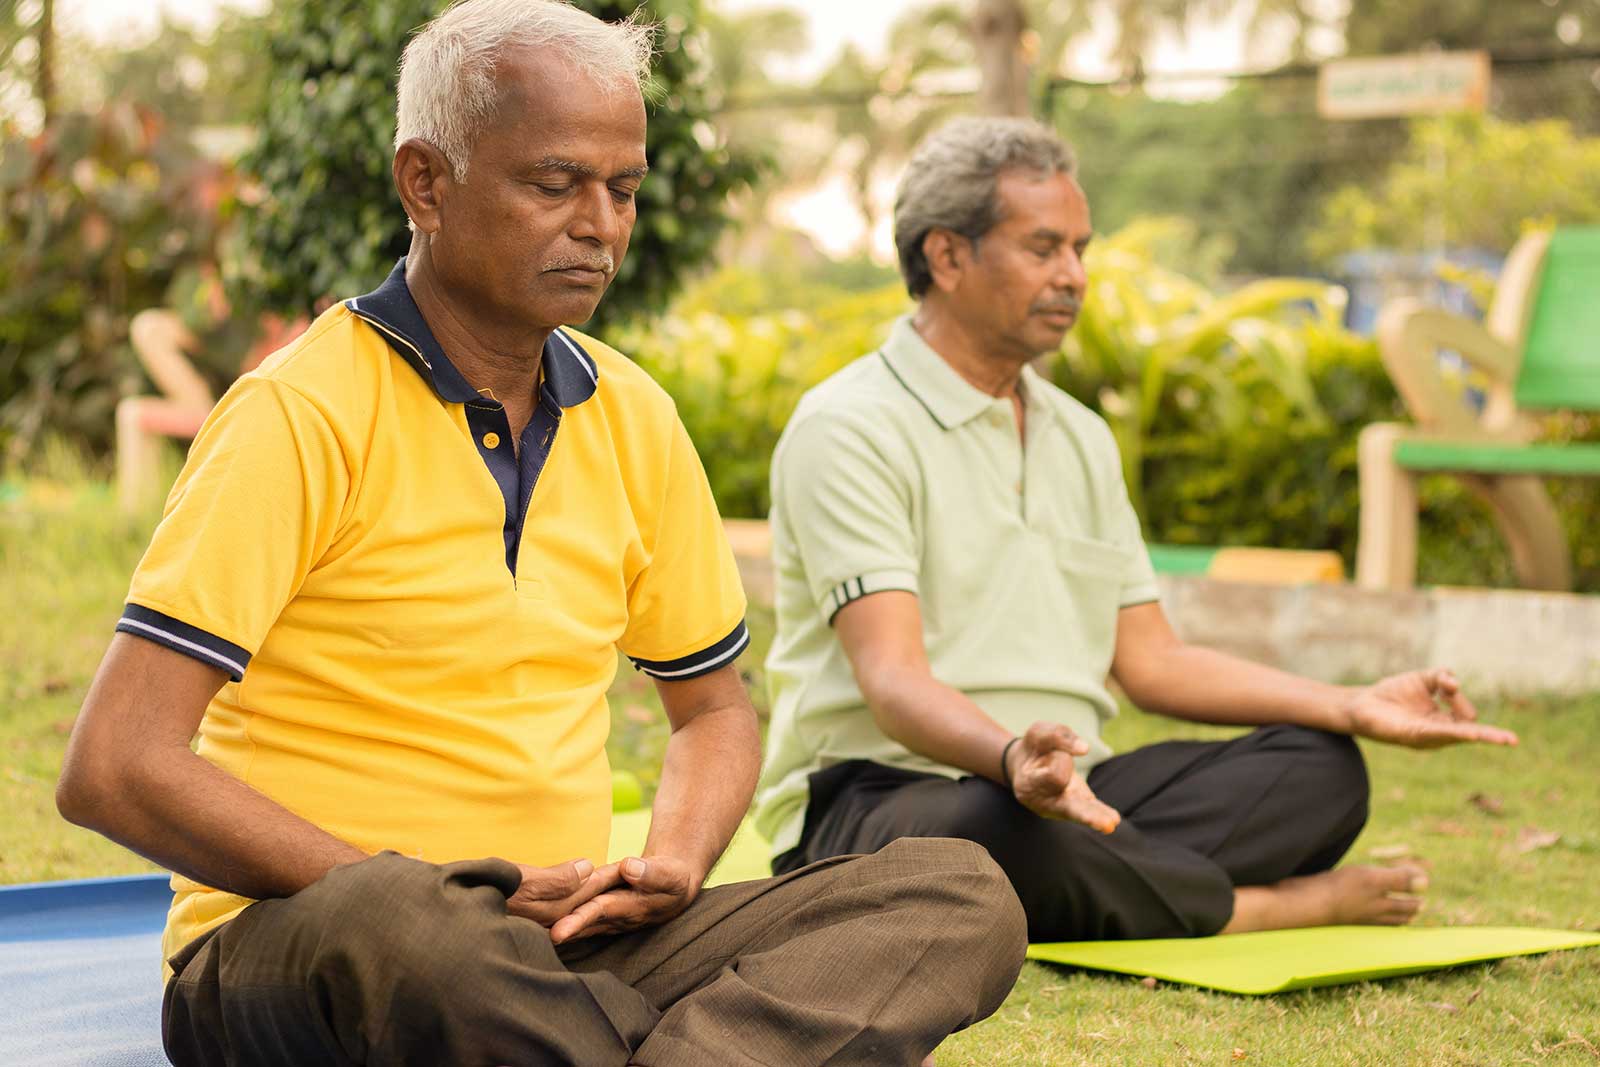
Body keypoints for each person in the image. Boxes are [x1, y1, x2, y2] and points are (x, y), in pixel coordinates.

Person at [56, 6, 1025, 1065]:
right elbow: (114, 763)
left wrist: (673, 861)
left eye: (624, 188)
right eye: (555, 183)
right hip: (319, 943)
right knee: (412, 920)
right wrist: (424, 887)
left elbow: (712, 712)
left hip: (565, 947)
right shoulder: (301, 410)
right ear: (426, 182)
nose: (600, 223)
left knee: (955, 889)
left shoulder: (634, 416)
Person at [753, 116, 1520, 944]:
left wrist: (1355, 706)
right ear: (946, 256)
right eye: (1043, 248)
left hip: (1064, 789)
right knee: (990, 833)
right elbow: (894, 683)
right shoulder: (850, 425)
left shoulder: (1077, 434)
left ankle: (1115, 883)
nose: (1074, 276)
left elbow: (1154, 661)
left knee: (1322, 768)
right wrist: (1012, 758)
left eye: (1080, 248)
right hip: (881, 797)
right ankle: (1260, 908)